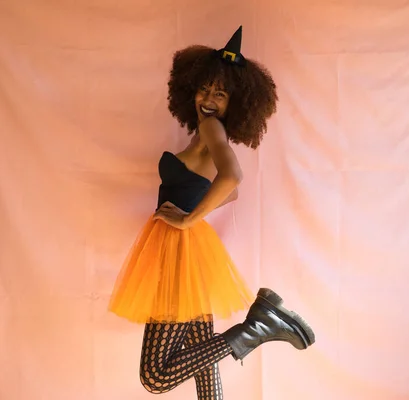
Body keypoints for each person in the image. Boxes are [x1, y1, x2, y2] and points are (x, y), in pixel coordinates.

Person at [108, 26, 315, 399]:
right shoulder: (202, 133)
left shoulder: (209, 128)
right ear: (191, 88)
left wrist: (188, 219)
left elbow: (232, 175)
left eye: (220, 94)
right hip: (190, 252)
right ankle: (260, 325)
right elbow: (230, 192)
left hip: (179, 249)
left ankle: (258, 327)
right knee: (204, 369)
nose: (208, 99)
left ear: (235, 103)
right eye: (205, 88)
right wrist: (194, 212)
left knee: (155, 376)